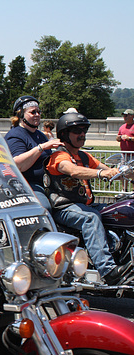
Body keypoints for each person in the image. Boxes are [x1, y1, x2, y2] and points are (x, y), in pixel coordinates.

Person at [44, 112, 129, 285]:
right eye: (76, 131)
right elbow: (73, 171)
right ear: (64, 134)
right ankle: (108, 270)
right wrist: (101, 173)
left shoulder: (84, 156)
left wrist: (126, 173)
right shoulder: (59, 156)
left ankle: (122, 254)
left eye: (84, 130)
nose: (82, 134)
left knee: (121, 210)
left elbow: (111, 171)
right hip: (65, 208)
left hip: (86, 205)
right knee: (90, 218)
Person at [5, 96, 62, 209]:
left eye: (38, 112)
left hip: (47, 183)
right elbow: (18, 165)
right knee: (44, 208)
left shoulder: (39, 135)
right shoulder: (15, 135)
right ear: (21, 115)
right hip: (26, 185)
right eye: (33, 112)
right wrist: (41, 147)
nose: (37, 115)